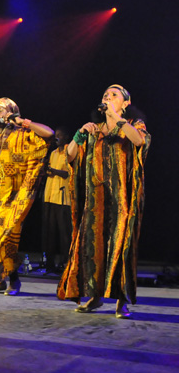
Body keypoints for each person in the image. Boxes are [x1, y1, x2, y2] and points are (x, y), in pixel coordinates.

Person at [57, 84, 150, 319]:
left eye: (114, 95)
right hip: (95, 200)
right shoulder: (94, 130)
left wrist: (116, 118)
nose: (108, 97)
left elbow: (139, 142)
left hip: (122, 200)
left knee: (121, 247)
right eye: (105, 95)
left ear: (126, 103)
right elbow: (69, 156)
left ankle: (122, 301)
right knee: (92, 248)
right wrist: (78, 136)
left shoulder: (132, 126)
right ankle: (95, 297)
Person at [0, 98, 53, 295]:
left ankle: (14, 280)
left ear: (11, 112)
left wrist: (23, 122)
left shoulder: (23, 136)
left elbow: (49, 135)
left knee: (2, 237)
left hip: (12, 198)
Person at [42, 127, 72, 273]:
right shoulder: (53, 153)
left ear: (66, 137)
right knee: (50, 233)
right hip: (50, 196)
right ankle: (49, 264)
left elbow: (68, 174)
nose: (57, 138)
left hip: (62, 198)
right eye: (56, 136)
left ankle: (66, 263)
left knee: (64, 233)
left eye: (60, 135)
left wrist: (53, 171)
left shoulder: (69, 151)